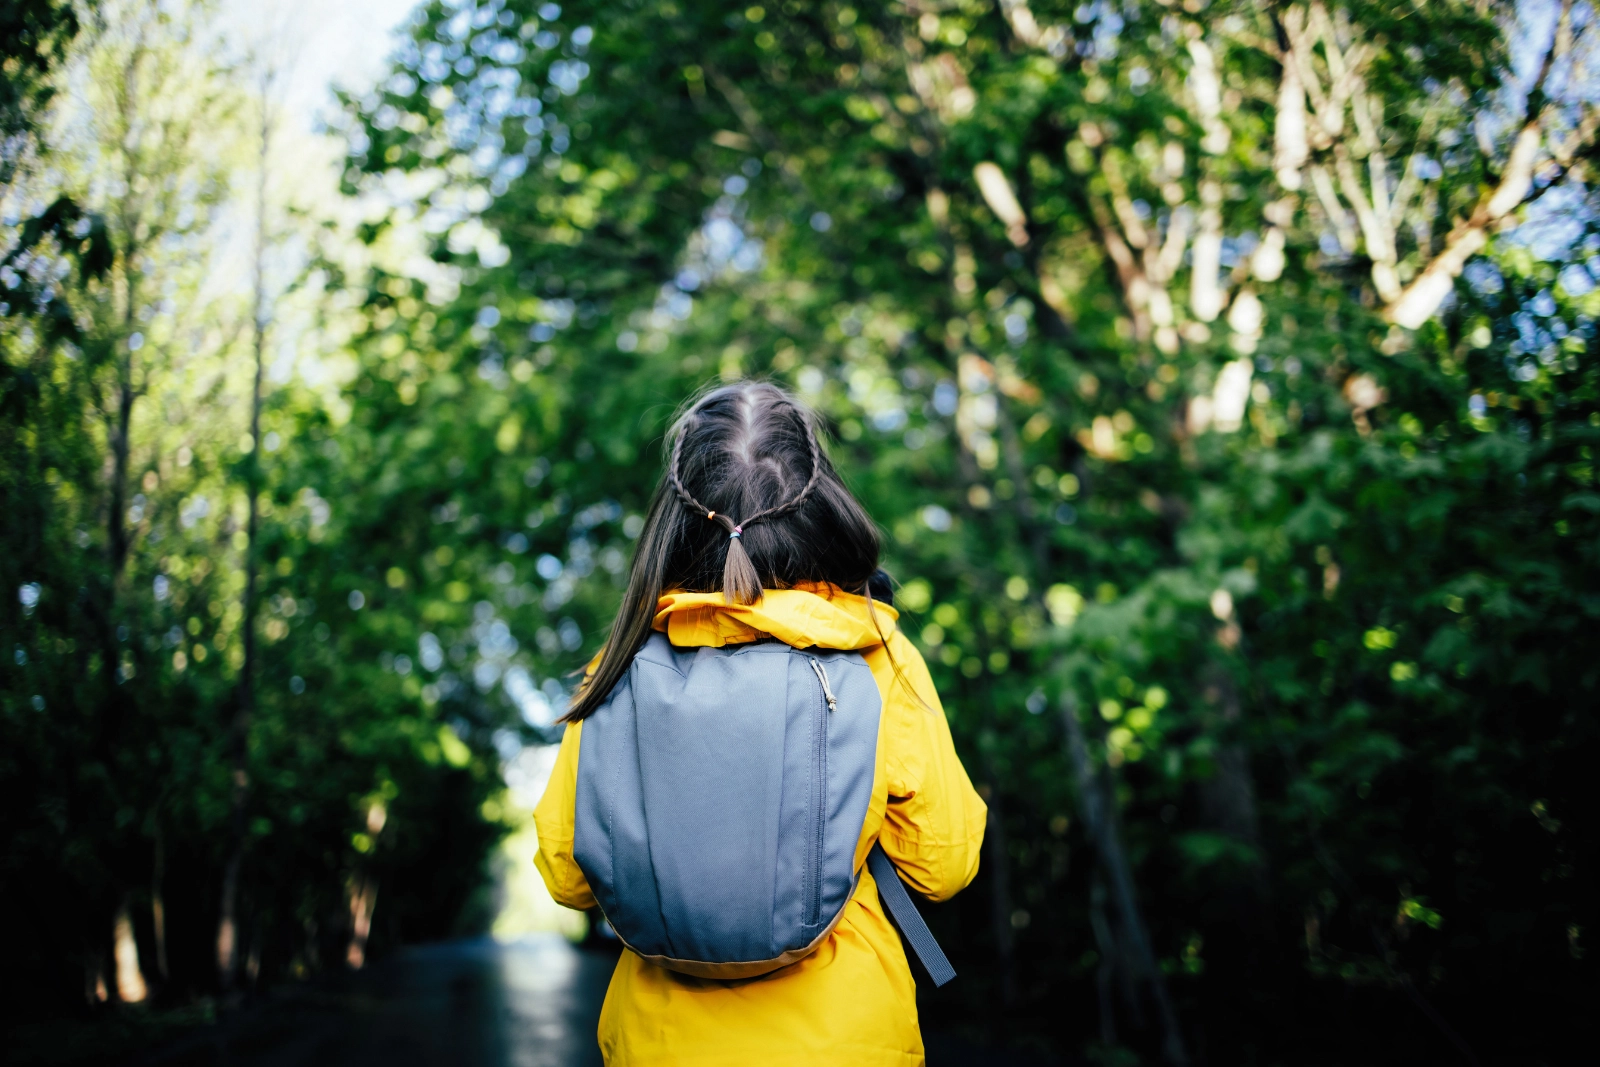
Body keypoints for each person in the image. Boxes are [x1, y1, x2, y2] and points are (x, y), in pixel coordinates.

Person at [533, 381, 987, 1066]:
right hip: (845, 1041)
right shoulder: (874, 653)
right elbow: (943, 865)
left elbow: (568, 875)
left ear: (674, 523)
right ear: (821, 507)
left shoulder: (619, 665)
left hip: (660, 1045)